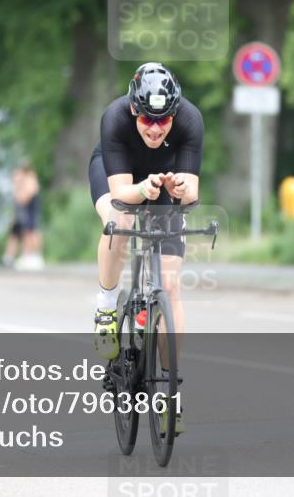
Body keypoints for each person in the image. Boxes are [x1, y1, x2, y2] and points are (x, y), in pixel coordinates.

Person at [88, 62, 202, 435]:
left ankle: (170, 392)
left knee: (170, 288)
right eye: (147, 120)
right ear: (135, 110)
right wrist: (141, 191)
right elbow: (122, 193)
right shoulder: (116, 118)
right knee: (120, 222)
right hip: (117, 176)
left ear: (175, 113)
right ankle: (107, 308)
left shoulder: (190, 120)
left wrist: (181, 191)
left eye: (163, 121)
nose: (155, 128)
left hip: (163, 180)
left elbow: (193, 191)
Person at [2, 161, 44, 270]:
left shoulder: (30, 180)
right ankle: (25, 256)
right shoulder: (27, 180)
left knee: (31, 232)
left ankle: (34, 256)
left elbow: (23, 199)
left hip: (30, 211)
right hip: (24, 212)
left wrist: (18, 187)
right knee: (23, 233)